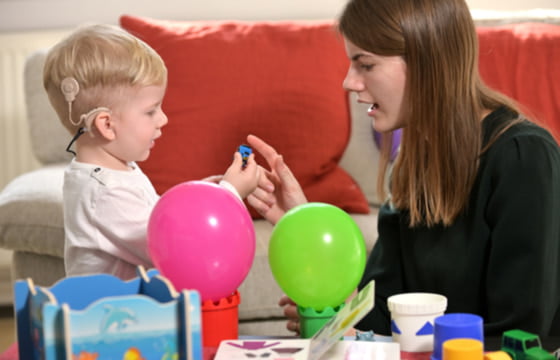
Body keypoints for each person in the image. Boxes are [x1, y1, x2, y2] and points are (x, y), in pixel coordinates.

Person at [246, 0, 560, 337]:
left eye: (365, 64)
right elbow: (383, 312)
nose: (349, 82)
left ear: (428, 62)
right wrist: (306, 224)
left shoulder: (523, 156)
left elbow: (521, 337)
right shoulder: (412, 165)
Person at [43, 24, 260, 280]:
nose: (163, 119)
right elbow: (172, 247)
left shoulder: (116, 172)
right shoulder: (104, 192)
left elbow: (155, 216)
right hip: (116, 317)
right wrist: (230, 195)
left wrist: (205, 196)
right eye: (151, 111)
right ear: (106, 125)